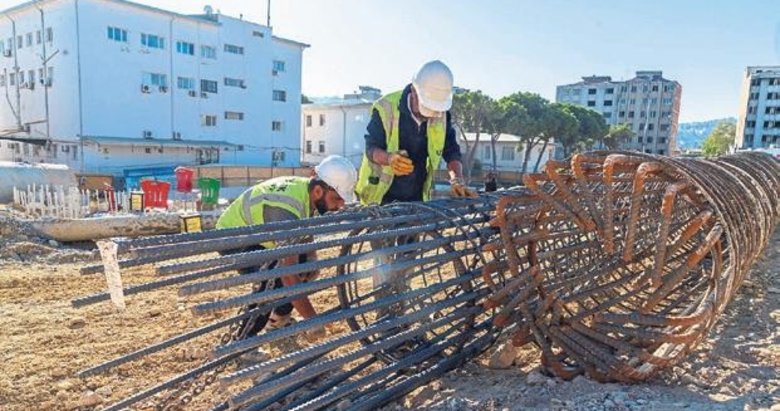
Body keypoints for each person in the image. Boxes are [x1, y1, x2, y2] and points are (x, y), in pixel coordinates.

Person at [215, 155, 357, 341]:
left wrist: (311, 259)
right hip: (234, 238)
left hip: (261, 237)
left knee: (305, 267)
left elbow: (303, 230)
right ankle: (242, 341)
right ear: (318, 191)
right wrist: (312, 320)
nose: (340, 205)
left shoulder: (307, 194)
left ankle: (278, 319)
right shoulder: (284, 209)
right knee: (271, 281)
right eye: (337, 198)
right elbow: (288, 275)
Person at [356, 60, 477, 205]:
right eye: (427, 107)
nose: (430, 115)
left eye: (435, 110)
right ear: (413, 91)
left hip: (417, 197)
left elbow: (451, 151)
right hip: (380, 196)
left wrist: (457, 179)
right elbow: (371, 148)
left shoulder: (442, 113)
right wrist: (389, 159)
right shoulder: (386, 107)